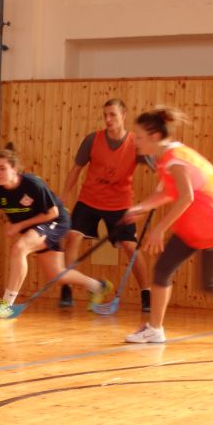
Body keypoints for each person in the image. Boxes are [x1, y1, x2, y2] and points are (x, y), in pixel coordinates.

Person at [122, 106, 213, 343]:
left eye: (139, 137)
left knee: (210, 284)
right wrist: (140, 208)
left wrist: (159, 229)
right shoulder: (164, 158)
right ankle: (155, 329)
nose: (135, 142)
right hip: (194, 223)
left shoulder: (175, 159)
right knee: (162, 270)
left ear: (155, 136)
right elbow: (166, 193)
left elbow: (186, 197)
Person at [0, 143, 113, 318]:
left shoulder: (32, 184)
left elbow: (53, 212)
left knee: (20, 248)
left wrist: (20, 225)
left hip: (56, 221)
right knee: (57, 274)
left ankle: (6, 305)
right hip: (38, 228)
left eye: (2, 168)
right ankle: (98, 287)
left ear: (14, 169)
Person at [59, 98, 151, 312]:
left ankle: (147, 294)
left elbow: (159, 166)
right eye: (105, 115)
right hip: (89, 200)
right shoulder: (93, 140)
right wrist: (64, 195)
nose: (108, 119)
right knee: (72, 237)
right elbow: (76, 169)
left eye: (113, 115)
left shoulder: (135, 144)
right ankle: (66, 288)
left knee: (131, 247)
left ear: (123, 116)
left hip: (120, 204)